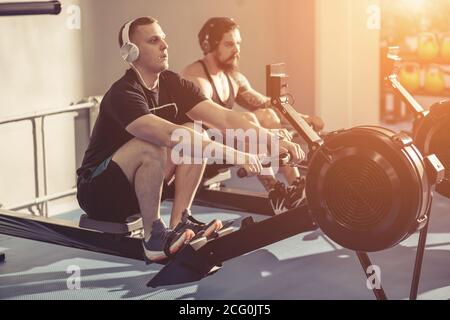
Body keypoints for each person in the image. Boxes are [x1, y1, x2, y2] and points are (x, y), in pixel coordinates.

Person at [76, 16, 306, 263]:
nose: (164, 45)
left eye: (163, 38)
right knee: (153, 144)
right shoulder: (124, 93)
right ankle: (154, 236)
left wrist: (272, 141)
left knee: (195, 130)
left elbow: (226, 119)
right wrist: (237, 155)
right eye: (154, 40)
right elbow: (167, 135)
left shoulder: (173, 84)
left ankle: (179, 221)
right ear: (132, 52)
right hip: (98, 192)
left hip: (140, 187)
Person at [180, 17, 324, 212]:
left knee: (267, 116)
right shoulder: (196, 79)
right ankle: (275, 193)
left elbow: (268, 104)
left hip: (224, 141)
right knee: (248, 120)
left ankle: (297, 187)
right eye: (229, 44)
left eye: (238, 43)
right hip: (198, 153)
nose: (236, 50)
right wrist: (257, 132)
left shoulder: (232, 77)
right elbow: (212, 120)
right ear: (209, 45)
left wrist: (304, 120)